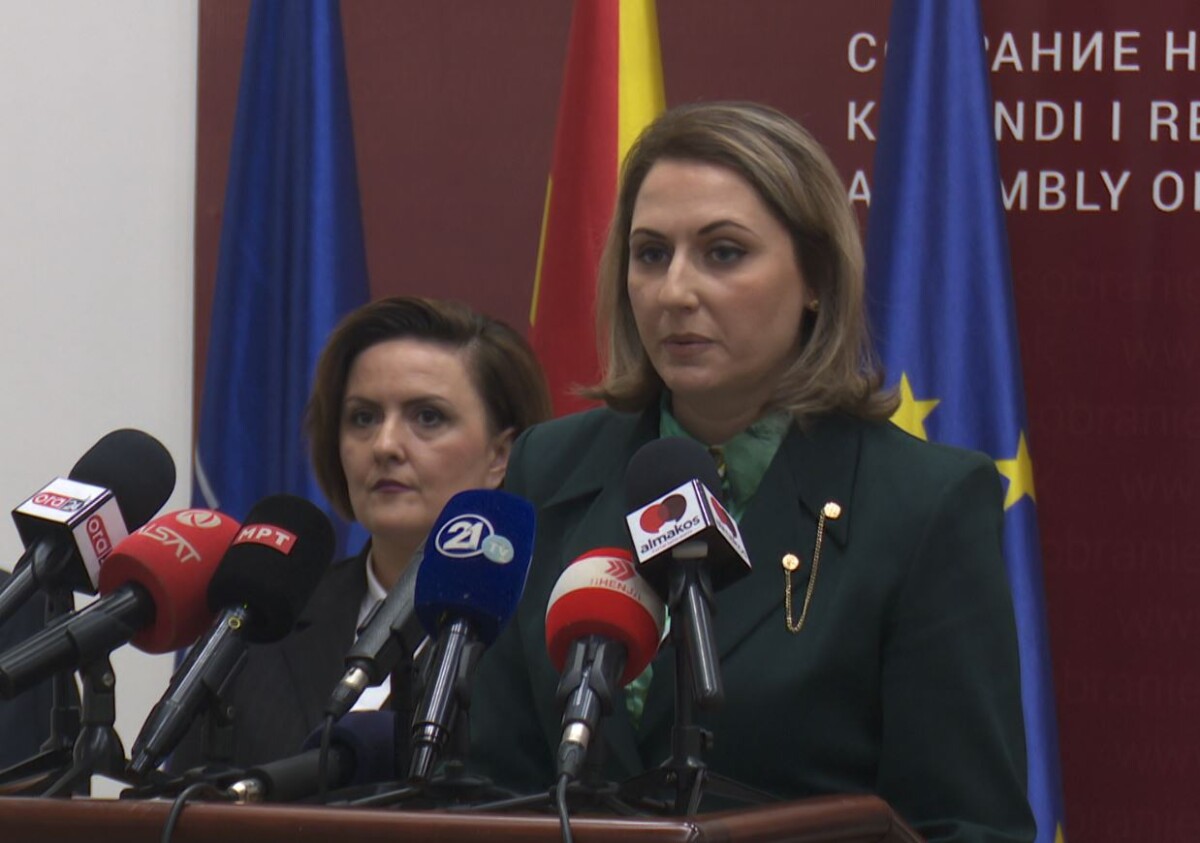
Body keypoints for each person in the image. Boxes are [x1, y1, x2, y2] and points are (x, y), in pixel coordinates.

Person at [468, 102, 1036, 841]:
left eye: (724, 253)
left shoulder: (924, 505)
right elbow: (494, 783)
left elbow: (967, 824)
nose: (675, 291)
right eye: (651, 254)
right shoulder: (549, 466)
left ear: (816, 278)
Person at [171, 296, 551, 771]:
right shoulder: (260, 625)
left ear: (501, 455)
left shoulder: (549, 634)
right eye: (363, 418)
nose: (385, 446)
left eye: (428, 417)